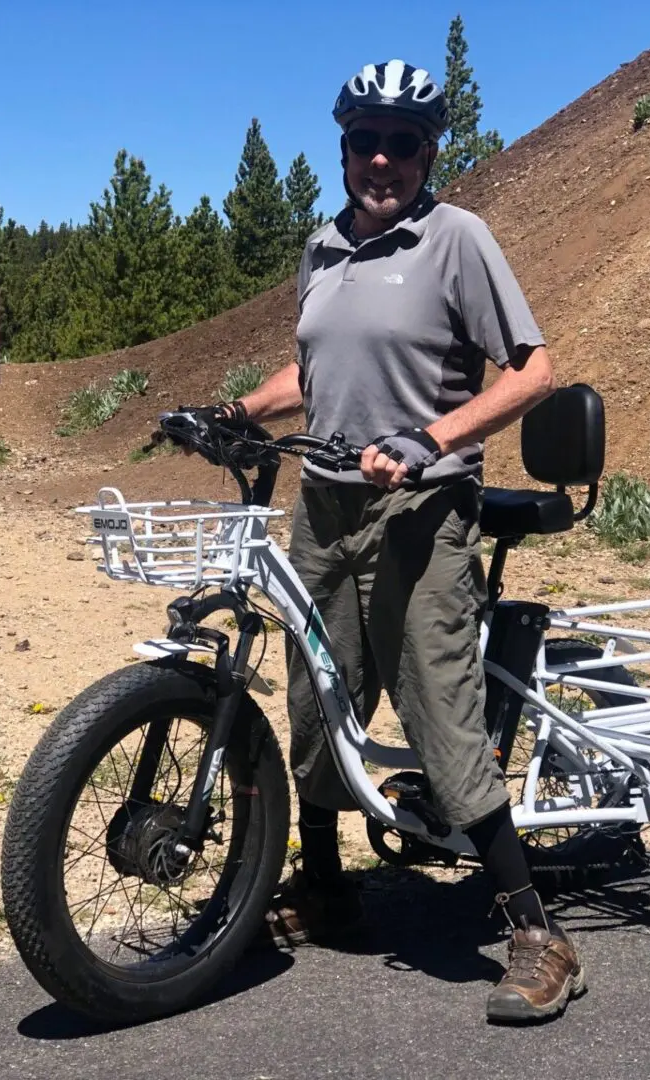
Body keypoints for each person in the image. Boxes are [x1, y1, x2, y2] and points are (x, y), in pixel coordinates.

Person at [187, 59, 584, 1022]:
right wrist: (233, 409)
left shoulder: (457, 240)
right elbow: (317, 370)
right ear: (344, 146)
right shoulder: (323, 248)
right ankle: (326, 891)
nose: (382, 159)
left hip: (423, 512)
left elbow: (534, 371)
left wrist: (431, 439)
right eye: (367, 139)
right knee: (316, 703)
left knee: (439, 705)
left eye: (402, 143)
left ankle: (536, 933)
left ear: (428, 152)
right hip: (323, 507)